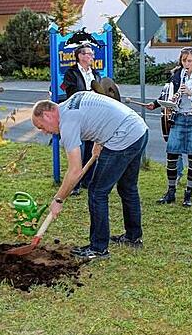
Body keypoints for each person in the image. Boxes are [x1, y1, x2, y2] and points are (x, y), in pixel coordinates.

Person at [31, 94, 148, 260]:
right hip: (139, 130)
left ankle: (98, 248)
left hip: (123, 137)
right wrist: (97, 142)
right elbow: (99, 115)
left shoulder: (67, 123)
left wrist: (58, 200)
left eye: (41, 126)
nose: (44, 132)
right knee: (127, 188)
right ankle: (133, 237)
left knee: (96, 193)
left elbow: (75, 171)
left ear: (47, 115)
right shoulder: (72, 102)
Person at [148, 47, 192, 207]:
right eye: (184, 61)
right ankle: (170, 192)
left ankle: (188, 194)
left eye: (189, 60)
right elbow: (167, 94)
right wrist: (156, 104)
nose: (186, 64)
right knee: (171, 155)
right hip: (178, 118)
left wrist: (190, 93)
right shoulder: (177, 76)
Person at [61, 43, 101, 196]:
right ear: (81, 56)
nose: (92, 57)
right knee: (79, 148)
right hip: (78, 113)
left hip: (93, 112)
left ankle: (87, 180)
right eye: (89, 54)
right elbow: (70, 91)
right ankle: (75, 184)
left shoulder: (95, 73)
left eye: (92, 54)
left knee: (91, 146)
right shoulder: (71, 73)